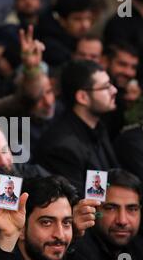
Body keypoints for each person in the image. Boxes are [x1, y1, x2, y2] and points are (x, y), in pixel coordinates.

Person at [36, 60, 119, 195]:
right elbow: (77, 202)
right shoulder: (61, 146)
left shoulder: (98, 128)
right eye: (105, 87)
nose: (114, 90)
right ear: (82, 97)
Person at [68, 169, 143, 260]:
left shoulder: (139, 252)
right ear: (94, 209)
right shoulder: (74, 249)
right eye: (110, 208)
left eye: (132, 209)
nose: (122, 220)